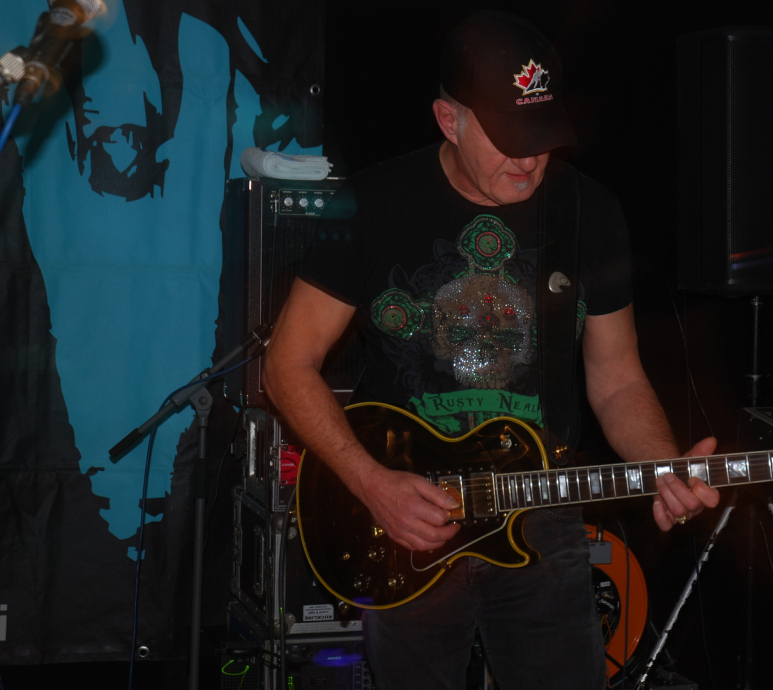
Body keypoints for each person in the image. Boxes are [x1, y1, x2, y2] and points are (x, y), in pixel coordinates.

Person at [263, 10, 720, 689]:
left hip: (542, 518)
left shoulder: (588, 213)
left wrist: (660, 465)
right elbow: (285, 365)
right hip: (409, 520)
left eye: (541, 136)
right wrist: (371, 485)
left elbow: (619, 380)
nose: (529, 160)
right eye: (509, 140)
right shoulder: (372, 204)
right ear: (449, 120)